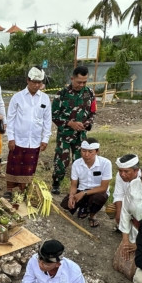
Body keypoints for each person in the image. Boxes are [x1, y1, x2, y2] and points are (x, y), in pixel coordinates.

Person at [5, 67, 52, 194]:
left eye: (39, 83)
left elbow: (47, 121)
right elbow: (10, 119)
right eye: (34, 82)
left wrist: (45, 139)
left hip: (35, 140)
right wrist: (11, 138)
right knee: (13, 166)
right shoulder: (17, 97)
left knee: (29, 167)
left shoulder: (45, 99)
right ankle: (9, 190)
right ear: (28, 80)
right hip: (19, 139)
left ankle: (24, 191)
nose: (36, 85)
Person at [50, 66, 96, 195]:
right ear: (72, 78)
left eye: (84, 82)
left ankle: (78, 186)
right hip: (64, 135)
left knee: (80, 161)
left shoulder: (90, 93)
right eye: (79, 82)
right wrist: (70, 123)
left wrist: (85, 124)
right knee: (61, 161)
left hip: (81, 136)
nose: (81, 85)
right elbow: (54, 115)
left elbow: (93, 112)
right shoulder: (62, 94)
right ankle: (56, 183)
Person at [61, 138, 111, 228]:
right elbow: (73, 185)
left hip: (97, 191)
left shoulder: (106, 163)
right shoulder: (76, 164)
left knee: (99, 198)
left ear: (97, 151)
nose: (86, 155)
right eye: (83, 151)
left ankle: (92, 215)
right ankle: (84, 208)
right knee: (65, 204)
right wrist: (71, 197)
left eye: (90, 152)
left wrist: (83, 193)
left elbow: (103, 187)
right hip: (82, 189)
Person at [111, 153, 141, 229]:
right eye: (120, 171)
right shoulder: (119, 175)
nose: (122, 174)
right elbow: (118, 195)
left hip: (140, 208)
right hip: (128, 204)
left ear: (136, 170)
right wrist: (119, 213)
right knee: (111, 208)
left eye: (126, 171)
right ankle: (123, 226)